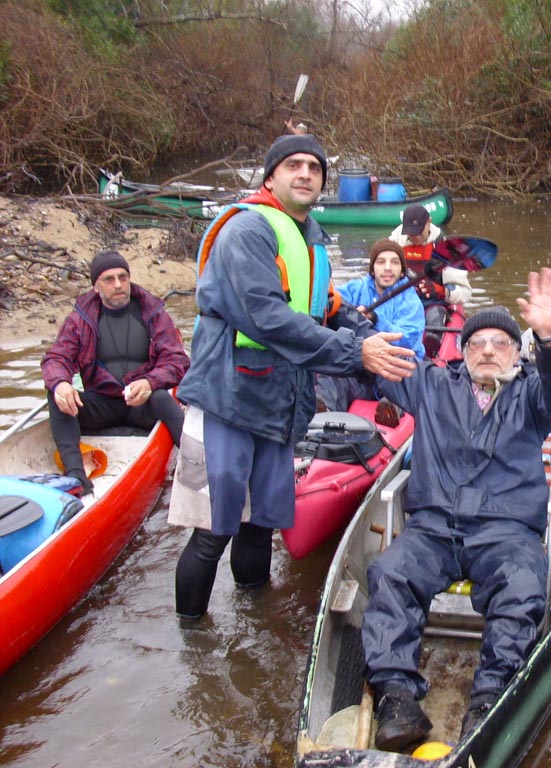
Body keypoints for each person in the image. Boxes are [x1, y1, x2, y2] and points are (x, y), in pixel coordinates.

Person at [169, 133, 416, 621]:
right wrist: (354, 351)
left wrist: (366, 333)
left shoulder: (310, 240)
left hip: (279, 403)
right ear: (270, 176)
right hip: (229, 399)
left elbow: (323, 307)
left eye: (315, 167)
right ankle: (192, 640)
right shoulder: (247, 232)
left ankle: (254, 618)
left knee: (263, 521)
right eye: (293, 165)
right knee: (214, 530)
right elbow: (265, 316)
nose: (306, 173)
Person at [361, 268, 551, 752]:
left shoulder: (533, 394)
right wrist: (353, 329)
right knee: (390, 574)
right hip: (433, 528)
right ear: (462, 352)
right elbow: (376, 366)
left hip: (506, 533)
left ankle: (489, 699)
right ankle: (396, 697)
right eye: (478, 342)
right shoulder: (432, 385)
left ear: (515, 352)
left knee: (522, 588)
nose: (488, 350)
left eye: (501, 342)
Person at [41, 250, 190, 495]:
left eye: (123, 277)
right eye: (109, 279)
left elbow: (176, 360)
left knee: (163, 397)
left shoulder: (153, 313)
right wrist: (60, 384)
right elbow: (56, 358)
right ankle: (77, 477)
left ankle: (197, 466)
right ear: (96, 286)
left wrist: (150, 383)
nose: (118, 284)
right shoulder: (79, 321)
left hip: (143, 403)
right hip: (104, 403)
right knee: (56, 396)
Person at [390, 204, 472, 357]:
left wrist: (442, 291)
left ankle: (431, 352)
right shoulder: (393, 244)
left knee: (434, 322)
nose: (415, 238)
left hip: (433, 304)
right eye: (411, 234)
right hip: (402, 302)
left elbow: (464, 293)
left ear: (429, 222)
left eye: (419, 232)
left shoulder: (447, 249)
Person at [340, 239, 426, 359]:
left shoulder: (411, 301)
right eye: (381, 262)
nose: (387, 268)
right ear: (372, 270)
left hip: (400, 363)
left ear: (402, 272)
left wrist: (376, 320)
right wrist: (351, 313)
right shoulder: (356, 288)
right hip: (362, 358)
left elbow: (408, 341)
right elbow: (333, 300)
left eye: (395, 262)